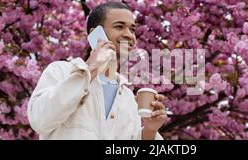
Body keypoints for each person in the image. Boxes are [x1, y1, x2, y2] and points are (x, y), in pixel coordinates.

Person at [27, 2, 167, 140]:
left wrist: (150, 131)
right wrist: (92, 68)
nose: (129, 35)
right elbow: (40, 121)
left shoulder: (128, 98)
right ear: (96, 34)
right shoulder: (61, 72)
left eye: (132, 29)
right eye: (119, 26)